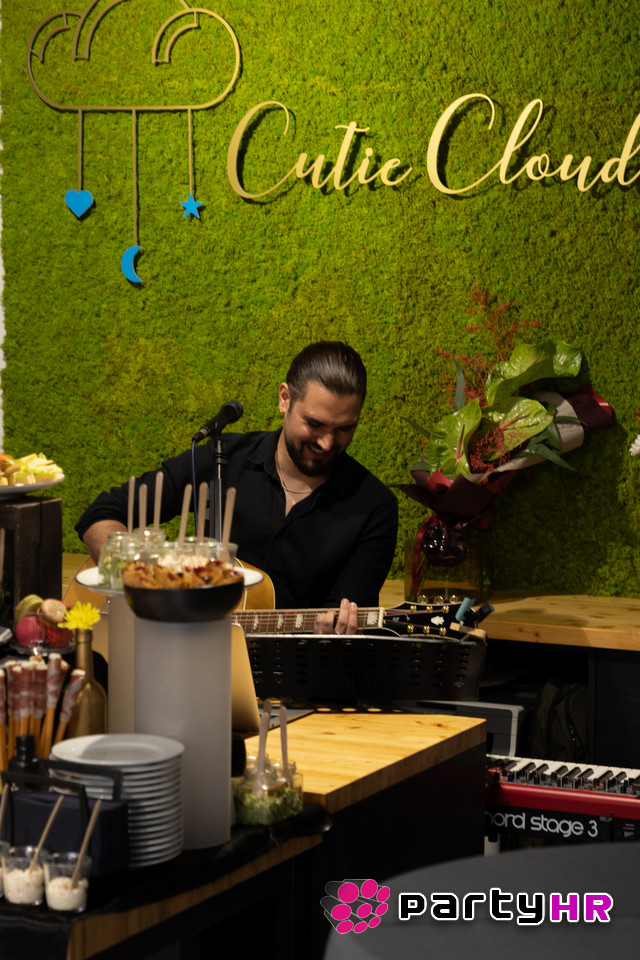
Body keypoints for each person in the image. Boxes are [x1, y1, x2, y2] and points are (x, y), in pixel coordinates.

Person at [75, 341, 398, 634]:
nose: (327, 443)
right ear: (285, 399)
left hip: (291, 667)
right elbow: (100, 514)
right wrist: (142, 586)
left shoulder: (374, 508)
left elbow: (342, 619)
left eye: (344, 429)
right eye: (314, 424)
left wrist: (335, 636)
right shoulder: (221, 459)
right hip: (180, 650)